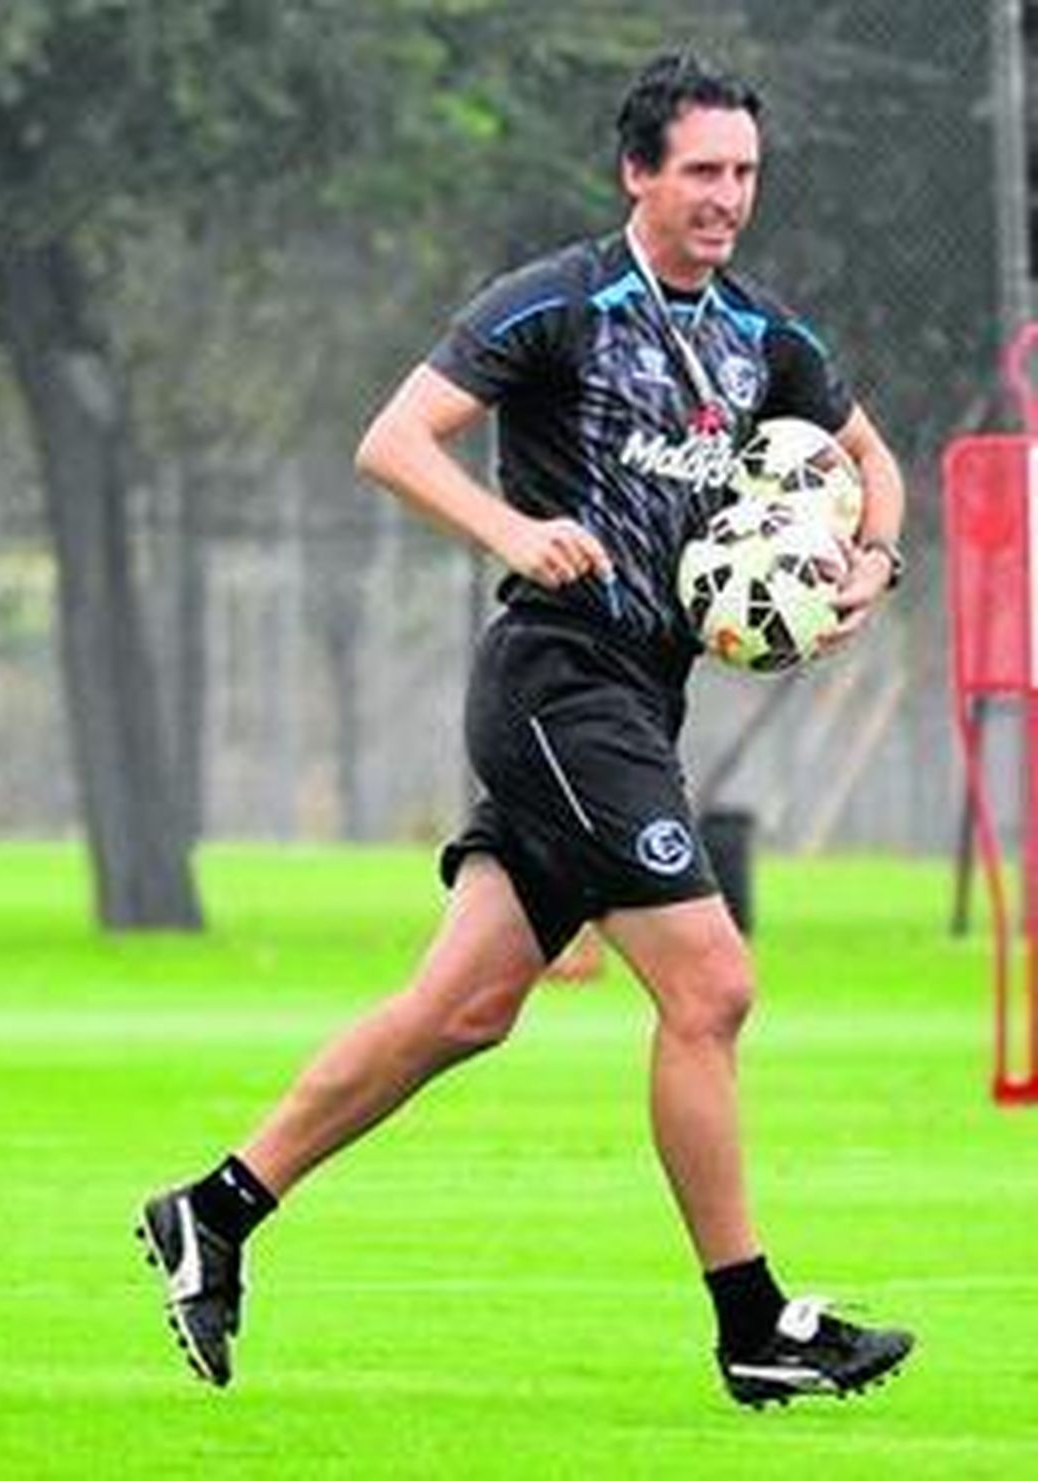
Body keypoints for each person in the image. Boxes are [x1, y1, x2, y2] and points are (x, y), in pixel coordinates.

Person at [135, 51, 913, 1408]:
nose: (727, 198)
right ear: (639, 173)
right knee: (713, 986)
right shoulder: (560, 304)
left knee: (466, 1008)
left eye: (745, 173)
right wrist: (512, 529)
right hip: (558, 682)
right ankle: (752, 1322)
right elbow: (395, 438)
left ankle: (215, 1210)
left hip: (634, 702)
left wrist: (871, 565)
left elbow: (872, 464)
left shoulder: (761, 335)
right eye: (702, 172)